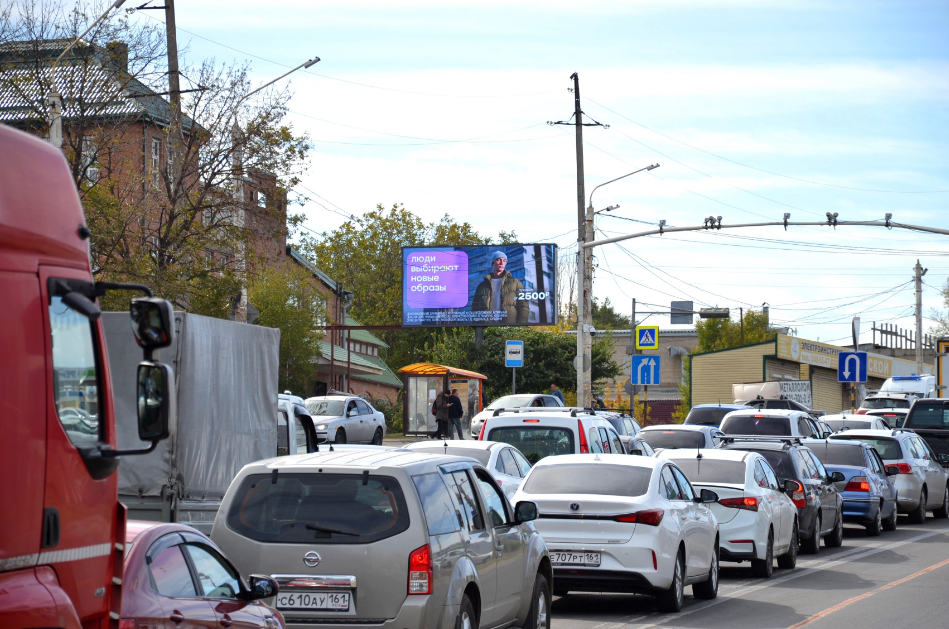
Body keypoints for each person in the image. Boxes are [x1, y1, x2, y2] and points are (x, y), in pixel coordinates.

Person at [471, 250, 529, 324]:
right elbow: (475, 308)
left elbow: (523, 306)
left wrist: (520, 325)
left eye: (504, 260)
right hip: (487, 328)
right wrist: (477, 326)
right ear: (493, 263)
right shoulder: (482, 286)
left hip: (508, 328)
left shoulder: (515, 283)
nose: (502, 263)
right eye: (498, 260)